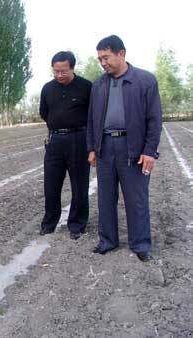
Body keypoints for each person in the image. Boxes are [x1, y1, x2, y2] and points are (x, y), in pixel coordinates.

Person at [87, 35, 162, 262]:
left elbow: (154, 119)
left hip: (133, 147)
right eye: (100, 58)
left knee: (136, 198)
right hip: (105, 147)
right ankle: (107, 241)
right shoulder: (99, 85)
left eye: (106, 57)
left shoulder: (145, 81)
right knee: (105, 197)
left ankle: (140, 244)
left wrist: (149, 150)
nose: (103, 63)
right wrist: (92, 148)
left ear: (122, 53)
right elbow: (91, 120)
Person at [39, 51, 92, 240]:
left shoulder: (86, 87)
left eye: (63, 71)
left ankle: (77, 224)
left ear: (72, 68)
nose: (59, 75)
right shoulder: (48, 88)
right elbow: (44, 112)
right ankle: (49, 222)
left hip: (79, 140)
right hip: (54, 141)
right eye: (56, 71)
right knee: (51, 185)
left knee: (79, 185)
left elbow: (93, 115)